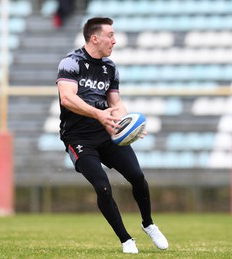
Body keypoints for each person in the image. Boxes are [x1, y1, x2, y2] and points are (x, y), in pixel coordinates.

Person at [55, 17, 168, 254]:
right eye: (110, 35)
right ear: (94, 38)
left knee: (137, 176)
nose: (114, 41)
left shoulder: (110, 67)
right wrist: (99, 114)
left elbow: (115, 102)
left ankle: (148, 223)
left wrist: (128, 125)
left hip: (107, 135)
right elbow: (67, 98)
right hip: (78, 139)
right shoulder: (70, 63)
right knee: (103, 186)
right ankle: (126, 240)